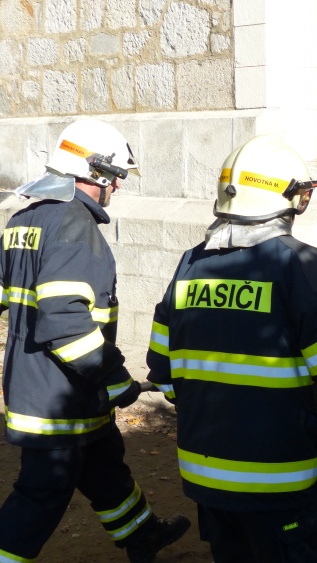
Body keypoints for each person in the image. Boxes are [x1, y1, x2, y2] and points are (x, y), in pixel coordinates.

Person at [145, 135, 317, 562]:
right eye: (303, 196)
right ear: (290, 199)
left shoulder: (189, 265)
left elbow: (162, 371)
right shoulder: (300, 265)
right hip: (278, 481)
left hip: (205, 478)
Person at [0, 119, 190, 563]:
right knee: (41, 494)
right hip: (59, 400)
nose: (118, 187)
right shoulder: (74, 225)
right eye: (116, 177)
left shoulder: (23, 220)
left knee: (104, 467)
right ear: (97, 173)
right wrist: (116, 379)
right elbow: (66, 324)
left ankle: (142, 535)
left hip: (47, 388)